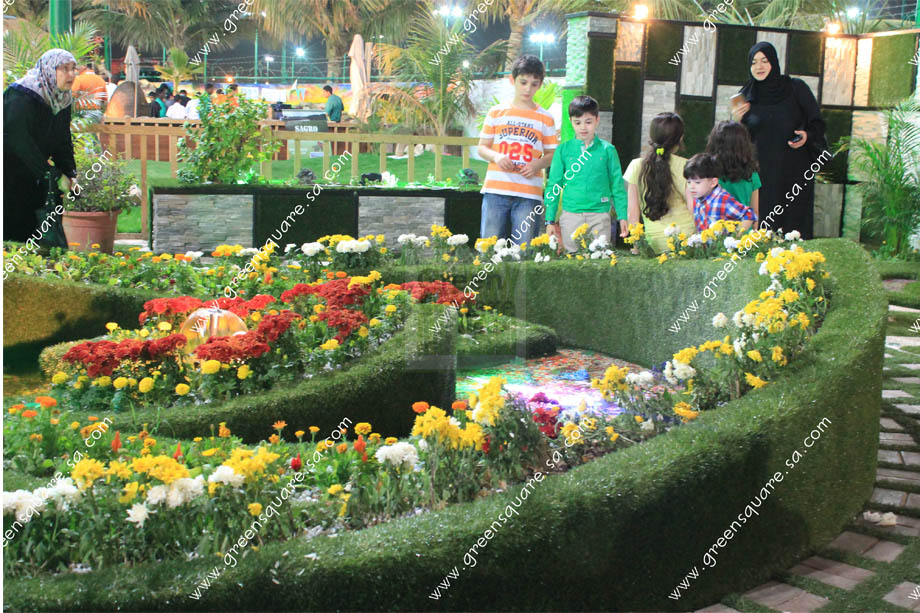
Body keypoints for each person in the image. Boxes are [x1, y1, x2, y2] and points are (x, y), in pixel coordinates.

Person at [732, 41, 827, 239]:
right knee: (765, 225)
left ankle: (797, 258)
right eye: (754, 62)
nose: (759, 67)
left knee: (794, 225)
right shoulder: (747, 94)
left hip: (795, 169)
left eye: (764, 61)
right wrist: (736, 120)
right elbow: (739, 138)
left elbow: (817, 123)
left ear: (774, 62)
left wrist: (807, 136)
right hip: (762, 173)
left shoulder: (795, 88)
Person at [477, 55, 558, 244]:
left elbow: (552, 154)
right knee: (489, 246)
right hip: (496, 190)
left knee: (524, 249)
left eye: (534, 84)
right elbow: (482, 147)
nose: (528, 89)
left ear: (540, 85)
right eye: (523, 82)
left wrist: (537, 164)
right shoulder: (496, 112)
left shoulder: (546, 118)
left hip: (528, 194)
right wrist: (497, 157)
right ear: (512, 80)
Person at [4, 49, 78, 243]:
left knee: (39, 237)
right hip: (9, 176)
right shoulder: (20, 95)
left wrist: (69, 172)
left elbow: (62, 140)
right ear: (49, 70)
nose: (71, 74)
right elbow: (18, 140)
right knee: (13, 236)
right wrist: (51, 174)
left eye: (73, 69)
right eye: (64, 69)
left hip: (35, 177)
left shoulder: (62, 100)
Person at [544, 95, 627, 252]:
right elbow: (554, 186)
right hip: (571, 216)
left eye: (588, 122)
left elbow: (617, 186)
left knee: (599, 260)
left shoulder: (608, 150)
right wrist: (549, 220)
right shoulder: (563, 150)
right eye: (578, 122)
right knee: (573, 260)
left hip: (600, 216)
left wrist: (622, 216)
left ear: (597, 120)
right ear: (571, 121)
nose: (583, 127)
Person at [624, 112, 696, 253]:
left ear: (652, 136)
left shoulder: (636, 166)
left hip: (654, 244)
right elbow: (694, 208)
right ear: (680, 138)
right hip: (685, 241)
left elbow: (632, 213)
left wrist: (637, 245)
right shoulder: (686, 166)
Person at [705, 120, 761, 220]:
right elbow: (755, 211)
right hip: (744, 228)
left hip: (714, 228)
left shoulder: (708, 172)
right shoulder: (752, 174)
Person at [684, 153, 755, 232]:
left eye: (697, 182)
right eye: (689, 182)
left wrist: (737, 235)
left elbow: (749, 214)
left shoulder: (723, 199)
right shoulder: (698, 199)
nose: (691, 186)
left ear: (713, 182)